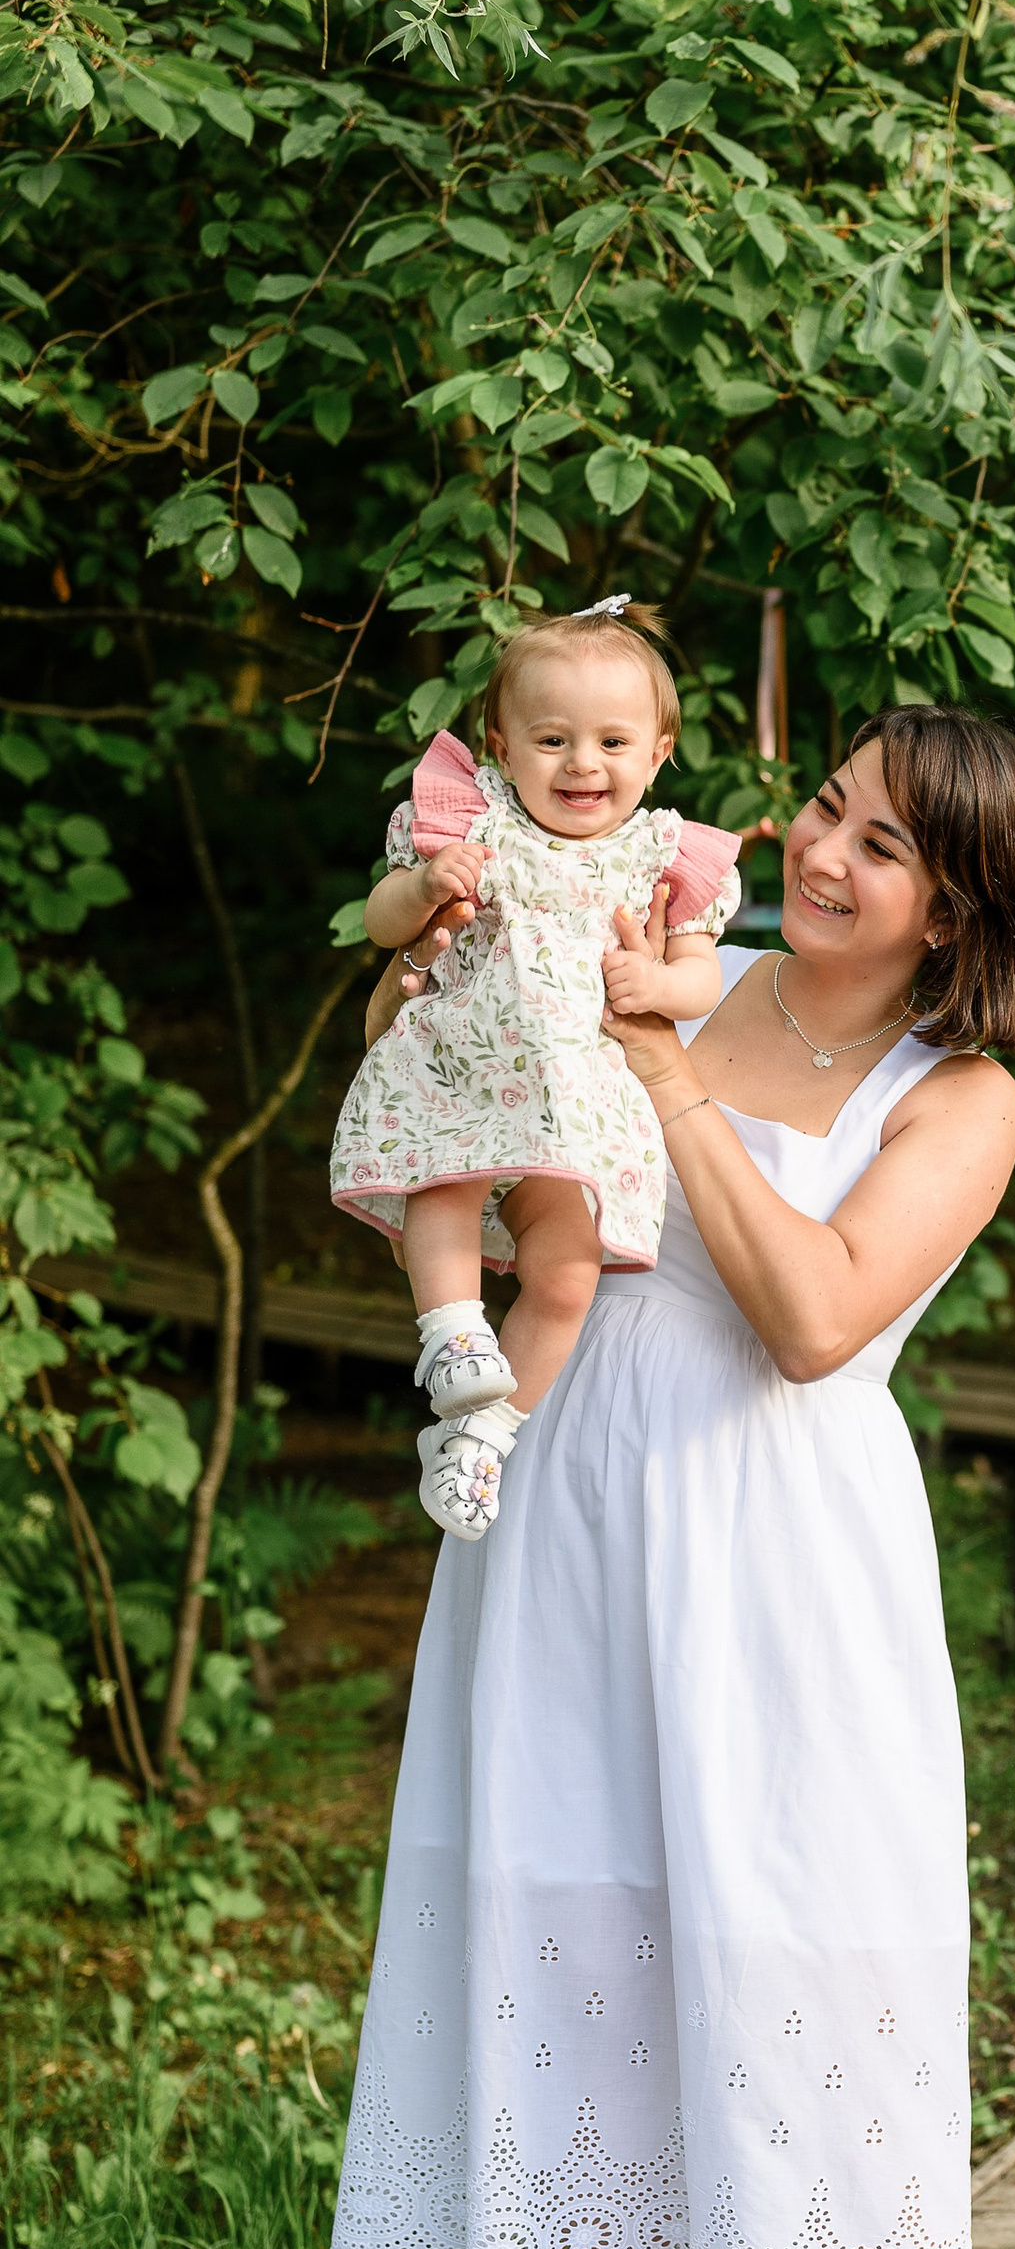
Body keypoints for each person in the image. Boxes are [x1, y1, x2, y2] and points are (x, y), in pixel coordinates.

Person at [328, 703, 1015, 2249]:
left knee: (842, 2007)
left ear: (956, 908)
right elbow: (457, 1071)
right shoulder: (660, 962)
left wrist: (668, 1091)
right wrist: (440, 986)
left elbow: (822, 1315)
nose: (828, 854)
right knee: (582, 1980)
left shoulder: (958, 1095)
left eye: (887, 847)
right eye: (825, 810)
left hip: (782, 1589)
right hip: (561, 1542)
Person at [327, 598, 740, 1542]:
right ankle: (451, 1334)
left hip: (576, 1103)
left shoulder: (668, 856)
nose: (582, 763)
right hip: (465, 1069)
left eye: (611, 740)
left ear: (660, 749)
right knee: (445, 1181)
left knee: (567, 1274)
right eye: (551, 738)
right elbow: (380, 922)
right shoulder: (469, 822)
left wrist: (658, 979)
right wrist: (426, 888)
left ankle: (483, 1439)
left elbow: (699, 975)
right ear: (501, 745)